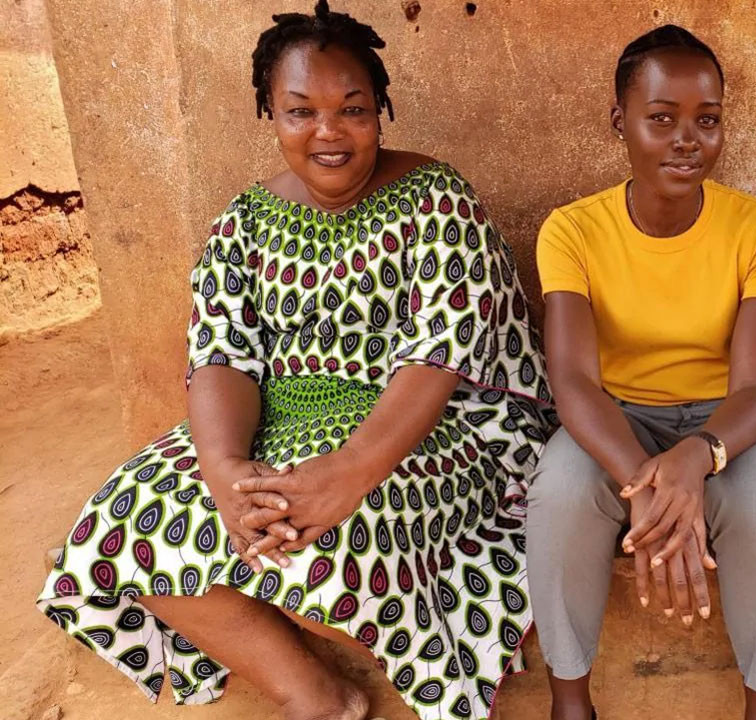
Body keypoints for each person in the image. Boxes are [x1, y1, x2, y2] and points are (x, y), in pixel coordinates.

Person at [35, 3, 553, 719]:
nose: (328, 132)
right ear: (270, 113)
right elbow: (220, 356)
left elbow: (438, 360)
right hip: (281, 420)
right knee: (128, 517)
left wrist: (345, 477)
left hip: (434, 427)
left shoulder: (439, 200)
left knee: (343, 528)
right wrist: (223, 472)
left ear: (382, 110)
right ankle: (315, 695)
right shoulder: (243, 221)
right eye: (300, 111)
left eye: (353, 109)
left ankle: (431, 672)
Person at [526, 24, 756, 720]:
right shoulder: (573, 230)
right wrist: (645, 487)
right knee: (559, 495)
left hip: (726, 425)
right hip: (612, 419)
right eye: (661, 119)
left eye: (706, 120)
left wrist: (696, 457)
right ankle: (570, 701)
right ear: (619, 121)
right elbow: (573, 383)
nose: (688, 139)